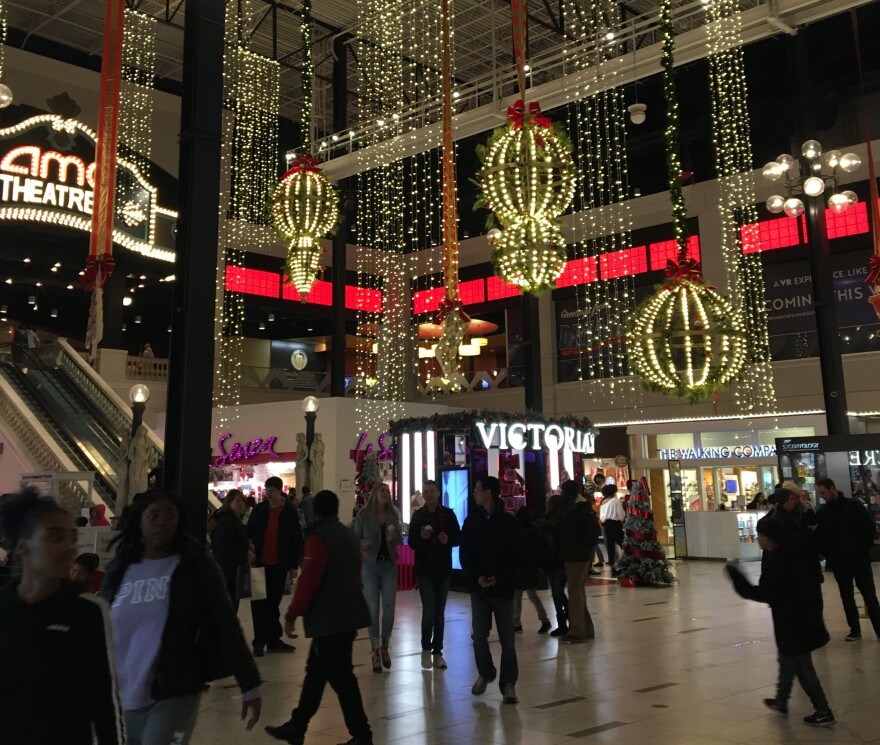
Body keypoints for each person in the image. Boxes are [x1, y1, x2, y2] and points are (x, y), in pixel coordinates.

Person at [102, 489, 262, 744]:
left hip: (174, 687)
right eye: (153, 516)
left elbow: (225, 624)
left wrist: (249, 682)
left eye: (170, 515)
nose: (162, 522)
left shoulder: (194, 567)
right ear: (139, 521)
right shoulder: (122, 568)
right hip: (122, 690)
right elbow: (103, 625)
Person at [0, 489, 124, 745]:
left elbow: (105, 698)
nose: (70, 548)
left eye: (73, 538)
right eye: (55, 537)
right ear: (22, 546)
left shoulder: (87, 611)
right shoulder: (4, 608)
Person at [265, 490, 374, 745]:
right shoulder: (348, 534)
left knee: (341, 678)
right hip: (348, 615)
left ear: (316, 510)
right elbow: (356, 570)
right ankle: (298, 725)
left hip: (329, 620)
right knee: (316, 673)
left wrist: (292, 614)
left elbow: (309, 579)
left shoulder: (318, 538)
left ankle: (362, 734)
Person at [725, 515, 835, 727]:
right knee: (787, 659)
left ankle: (822, 709)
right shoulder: (790, 552)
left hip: (793, 620)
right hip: (799, 615)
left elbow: (766, 593)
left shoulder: (778, 560)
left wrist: (737, 579)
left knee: (802, 665)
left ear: (769, 537)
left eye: (760, 535)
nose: (757, 539)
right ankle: (781, 700)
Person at [460, 475, 524, 704]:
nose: (474, 492)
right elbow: (465, 553)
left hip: (502, 589)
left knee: (507, 638)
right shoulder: (472, 521)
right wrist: (477, 577)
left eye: (477, 488)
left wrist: (501, 577)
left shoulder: (508, 523)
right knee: (478, 635)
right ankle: (485, 672)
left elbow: (516, 556)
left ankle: (508, 683)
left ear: (488, 493)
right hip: (480, 590)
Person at [815, 477, 880, 641]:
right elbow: (822, 538)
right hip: (840, 562)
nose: (822, 496)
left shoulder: (854, 506)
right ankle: (855, 630)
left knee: (869, 595)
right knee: (846, 595)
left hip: (859, 559)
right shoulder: (823, 513)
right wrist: (830, 556)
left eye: (823, 492)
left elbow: (868, 529)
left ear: (832, 488)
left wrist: (863, 549)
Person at [247, 476, 304, 656]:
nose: (268, 494)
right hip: (259, 564)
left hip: (279, 565)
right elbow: (249, 532)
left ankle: (272, 640)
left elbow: (296, 539)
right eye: (267, 490)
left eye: (271, 490)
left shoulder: (289, 512)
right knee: (259, 605)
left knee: (272, 604)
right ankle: (260, 641)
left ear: (279, 491)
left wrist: (294, 564)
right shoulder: (259, 510)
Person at [408, 478, 461, 669]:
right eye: (426, 491)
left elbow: (458, 537)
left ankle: (437, 651)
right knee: (429, 611)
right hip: (424, 570)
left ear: (438, 493)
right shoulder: (418, 517)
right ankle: (425, 647)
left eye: (432, 491)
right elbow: (412, 542)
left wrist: (448, 540)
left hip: (443, 569)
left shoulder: (447, 515)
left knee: (439, 613)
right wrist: (421, 538)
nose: (429, 494)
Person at [352, 482, 402, 673]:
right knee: (373, 610)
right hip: (370, 567)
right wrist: (363, 543)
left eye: (387, 491)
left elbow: (399, 538)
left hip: (389, 565)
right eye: (382, 491)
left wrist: (394, 537)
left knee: (389, 608)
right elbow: (354, 539)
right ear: (374, 494)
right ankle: (374, 649)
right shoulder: (364, 515)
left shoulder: (393, 514)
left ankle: (385, 645)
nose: (386, 494)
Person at [556, 479, 601, 644]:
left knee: (575, 592)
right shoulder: (575, 507)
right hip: (573, 554)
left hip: (577, 556)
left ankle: (577, 631)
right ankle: (587, 628)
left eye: (563, 491)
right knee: (578, 592)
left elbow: (593, 531)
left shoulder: (580, 509)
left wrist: (583, 548)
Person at [210, 489, 253, 613]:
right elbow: (225, 547)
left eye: (242, 501)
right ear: (229, 503)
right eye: (237, 500)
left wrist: (247, 545)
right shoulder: (227, 520)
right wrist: (245, 552)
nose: (241, 504)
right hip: (228, 572)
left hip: (233, 572)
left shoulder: (234, 519)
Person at [513, 507, 551, 634]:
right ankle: (544, 620)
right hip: (531, 567)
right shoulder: (535, 531)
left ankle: (516, 623)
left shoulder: (518, 531)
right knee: (532, 595)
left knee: (517, 595)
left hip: (520, 567)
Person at [537, 494, 568, 637]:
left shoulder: (555, 521)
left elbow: (551, 542)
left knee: (558, 594)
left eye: (549, 503)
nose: (547, 505)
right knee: (557, 594)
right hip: (552, 561)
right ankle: (564, 622)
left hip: (557, 561)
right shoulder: (550, 519)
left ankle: (565, 622)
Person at [599, 483, 626, 573]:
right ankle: (626, 563)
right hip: (615, 524)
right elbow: (621, 514)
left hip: (606, 524)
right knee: (623, 543)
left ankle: (613, 566)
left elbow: (601, 516)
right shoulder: (615, 501)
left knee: (610, 546)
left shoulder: (603, 501)